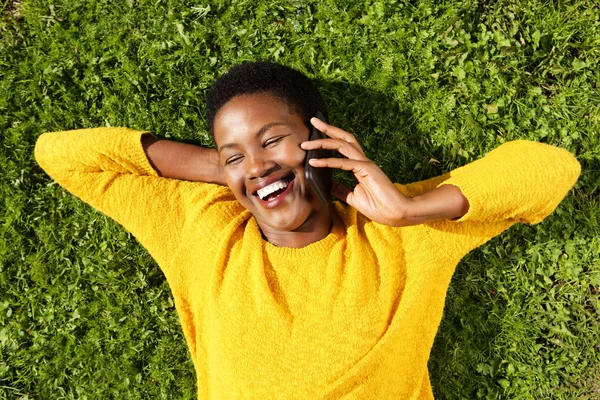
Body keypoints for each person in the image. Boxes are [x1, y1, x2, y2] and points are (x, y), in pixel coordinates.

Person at [34, 61, 581, 399]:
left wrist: (409, 209)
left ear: (323, 138)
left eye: (273, 140)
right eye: (237, 155)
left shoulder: (401, 236)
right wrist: (229, 166)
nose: (257, 165)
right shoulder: (203, 228)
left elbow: (550, 168)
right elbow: (61, 156)